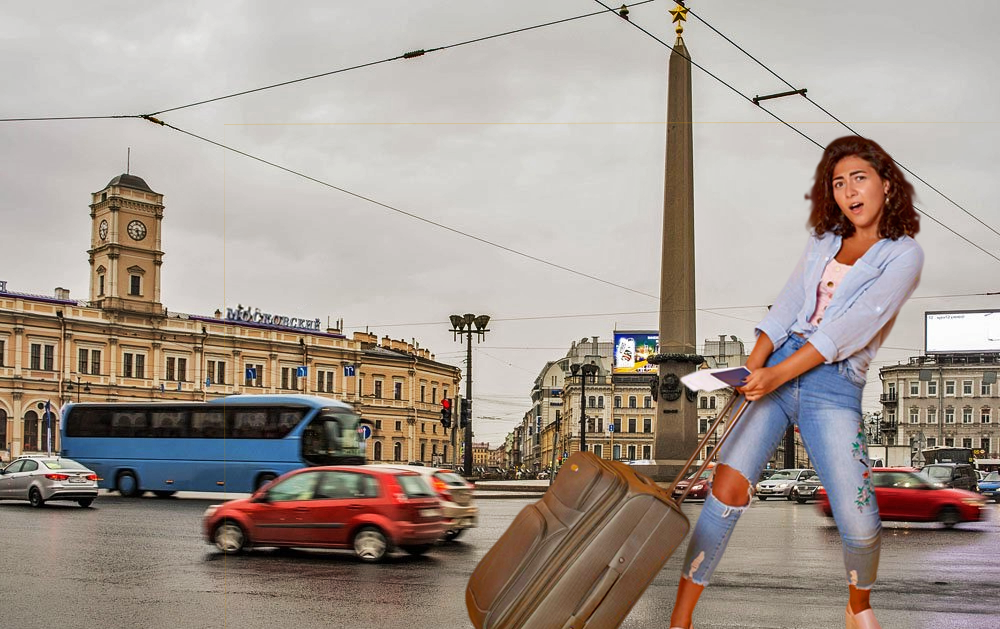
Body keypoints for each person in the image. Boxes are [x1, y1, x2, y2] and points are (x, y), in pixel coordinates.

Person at [669, 136, 923, 629]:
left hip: (833, 382)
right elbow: (786, 307)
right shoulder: (825, 241)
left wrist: (775, 375)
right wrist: (752, 369)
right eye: (839, 182)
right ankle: (680, 620)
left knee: (857, 515)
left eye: (860, 178)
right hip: (779, 367)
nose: (849, 190)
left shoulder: (902, 256)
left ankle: (857, 604)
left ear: (887, 186)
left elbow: (844, 332)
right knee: (724, 493)